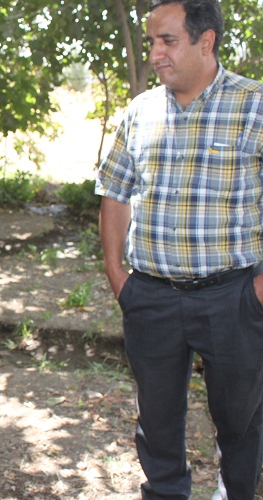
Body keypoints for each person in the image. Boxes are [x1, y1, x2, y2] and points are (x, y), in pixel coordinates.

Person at [96, 0, 263, 498]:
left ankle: (235, 491)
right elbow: (115, 191)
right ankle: (166, 491)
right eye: (151, 42)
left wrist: (257, 291)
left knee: (240, 418)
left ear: (205, 41)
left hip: (234, 297)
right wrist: (117, 274)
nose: (155, 54)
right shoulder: (141, 110)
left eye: (167, 41)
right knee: (156, 420)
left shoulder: (254, 105)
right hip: (150, 297)